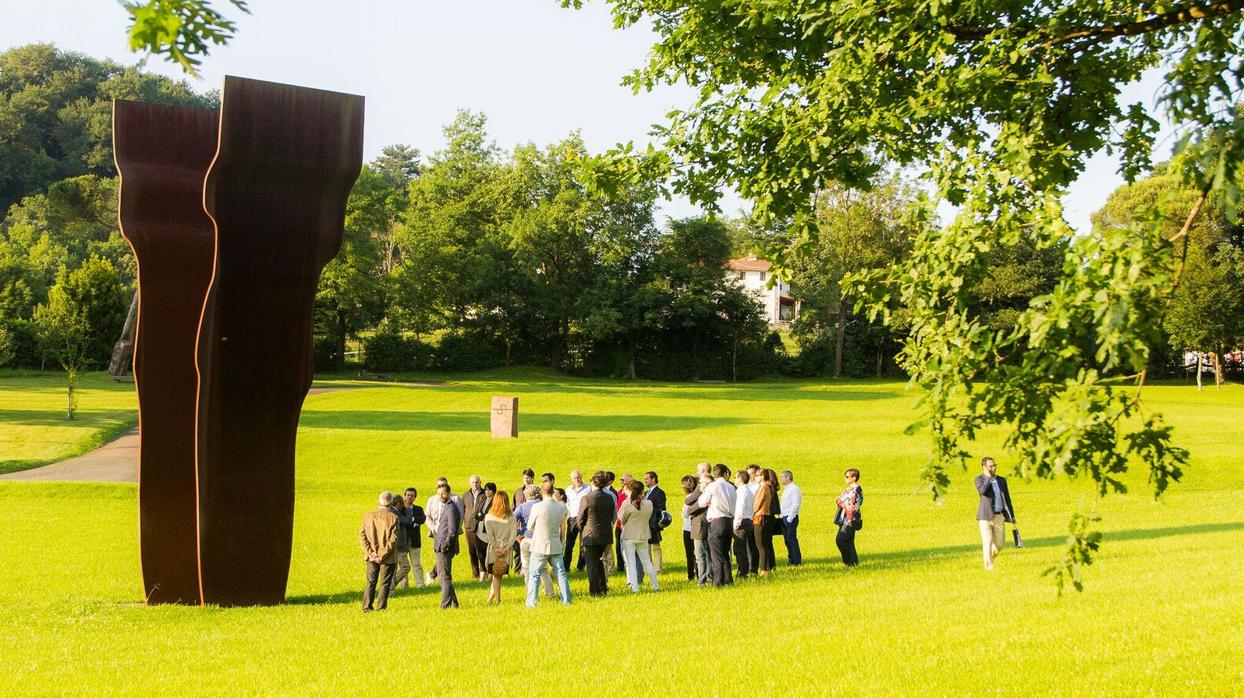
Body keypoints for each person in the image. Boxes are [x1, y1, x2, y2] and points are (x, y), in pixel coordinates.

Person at [526, 481, 573, 607]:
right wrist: (562, 542)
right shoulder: (562, 507)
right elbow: (563, 527)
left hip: (539, 545)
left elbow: (529, 526)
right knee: (561, 573)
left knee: (535, 574)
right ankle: (566, 600)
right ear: (553, 492)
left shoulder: (537, 507)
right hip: (555, 544)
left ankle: (531, 602)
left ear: (541, 492)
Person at [697, 464, 737, 587]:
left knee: (716, 553)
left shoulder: (713, 486)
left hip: (717, 520)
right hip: (729, 520)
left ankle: (718, 581)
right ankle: (728, 579)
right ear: (726, 473)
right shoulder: (731, 487)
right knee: (725, 551)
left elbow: (701, 502)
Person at [359, 491, 399, 612]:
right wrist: (381, 554)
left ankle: (366, 606)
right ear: (391, 503)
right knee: (385, 583)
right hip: (387, 557)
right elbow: (393, 539)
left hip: (371, 556)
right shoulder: (394, 517)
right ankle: (381, 607)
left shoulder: (368, 516)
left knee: (371, 582)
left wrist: (370, 553)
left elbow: (362, 536)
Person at [975, 457, 1016, 570]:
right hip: (985, 516)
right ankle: (989, 567)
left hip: (999, 516)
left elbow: (1007, 498)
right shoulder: (979, 479)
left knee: (999, 544)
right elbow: (982, 491)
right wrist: (988, 477)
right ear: (984, 467)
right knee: (987, 541)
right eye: (991, 466)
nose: (993, 468)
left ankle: (990, 558)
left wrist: (1011, 515)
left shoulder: (1001, 480)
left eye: (994, 465)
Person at [577, 471, 615, 596]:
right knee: (599, 562)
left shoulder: (587, 498)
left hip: (591, 535)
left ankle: (594, 591)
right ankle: (602, 588)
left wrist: (582, 529)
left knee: (592, 564)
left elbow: (580, 519)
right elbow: (612, 516)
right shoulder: (609, 497)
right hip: (605, 535)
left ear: (593, 482)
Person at [619, 480, 659, 592]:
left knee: (631, 562)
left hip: (629, 536)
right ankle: (655, 585)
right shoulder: (649, 503)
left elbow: (622, 518)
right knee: (647, 562)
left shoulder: (627, 503)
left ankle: (635, 587)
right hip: (643, 535)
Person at [514, 484, 552, 597]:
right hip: (541, 540)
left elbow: (512, 520)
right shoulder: (543, 505)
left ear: (526, 495)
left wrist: (517, 535)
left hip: (527, 539)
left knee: (527, 569)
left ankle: (530, 593)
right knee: (544, 569)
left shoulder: (521, 507)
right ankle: (549, 593)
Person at [482, 490, 517, 604]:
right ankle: (496, 600)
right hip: (506, 549)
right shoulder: (512, 517)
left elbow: (489, 535)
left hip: (494, 549)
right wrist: (506, 548)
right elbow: (513, 535)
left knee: (496, 576)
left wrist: (496, 548)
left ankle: (494, 600)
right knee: (497, 576)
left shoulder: (488, 517)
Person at [432, 483, 462, 608]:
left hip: (445, 547)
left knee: (444, 578)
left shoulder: (451, 508)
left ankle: (444, 605)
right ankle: (454, 604)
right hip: (441, 546)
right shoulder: (447, 507)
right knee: (444, 576)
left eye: (443, 493)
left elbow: (453, 530)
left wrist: (445, 544)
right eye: (439, 494)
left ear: (449, 493)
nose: (441, 496)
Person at [394, 487, 426, 589]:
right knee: (403, 565)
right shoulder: (400, 510)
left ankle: (420, 584)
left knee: (416, 563)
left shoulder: (418, 509)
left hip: (414, 541)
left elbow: (422, 519)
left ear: (415, 497)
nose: (409, 497)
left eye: (412, 496)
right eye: (408, 495)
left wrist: (412, 519)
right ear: (404, 496)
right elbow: (404, 522)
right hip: (403, 541)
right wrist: (413, 522)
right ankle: (404, 585)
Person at [685, 474, 711, 585]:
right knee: (708, 555)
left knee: (700, 555)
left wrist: (699, 491)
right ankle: (708, 578)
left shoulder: (704, 495)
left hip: (700, 527)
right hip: (708, 526)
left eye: (701, 483)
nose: (699, 485)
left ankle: (702, 580)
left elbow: (690, 509)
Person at [834, 468, 863, 567]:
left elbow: (855, 503)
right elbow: (841, 500)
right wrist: (840, 501)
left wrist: (842, 501)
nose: (845, 478)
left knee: (840, 540)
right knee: (849, 542)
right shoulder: (847, 489)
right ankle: (854, 563)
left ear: (854, 478)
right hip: (843, 517)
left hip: (851, 519)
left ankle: (847, 562)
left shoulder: (857, 489)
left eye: (847, 477)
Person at [462, 475, 490, 581]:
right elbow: (463, 510)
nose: (475, 484)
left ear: (480, 482)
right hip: (469, 526)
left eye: (477, 482)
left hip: (481, 526)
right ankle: (475, 573)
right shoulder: (465, 495)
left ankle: (484, 571)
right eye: (473, 482)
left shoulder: (485, 494)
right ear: (470, 483)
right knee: (472, 551)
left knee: (482, 551)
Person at [732, 470, 757, 578]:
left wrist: (736, 524)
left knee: (739, 549)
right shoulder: (749, 491)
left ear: (740, 479)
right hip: (748, 521)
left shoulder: (741, 492)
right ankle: (744, 570)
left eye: (735, 477)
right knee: (743, 548)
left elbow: (739, 508)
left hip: (741, 521)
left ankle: (742, 572)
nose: (734, 479)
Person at [563, 470, 589, 571]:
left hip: (584, 518)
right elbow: (566, 503)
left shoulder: (588, 488)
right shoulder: (568, 489)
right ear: (571, 479)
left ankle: (580, 567)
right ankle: (566, 567)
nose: (577, 479)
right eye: (574, 478)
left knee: (583, 543)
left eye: (578, 477)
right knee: (569, 544)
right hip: (572, 518)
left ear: (581, 477)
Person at [752, 468, 777, 575]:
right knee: (765, 543)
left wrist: (751, 512)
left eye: (757, 475)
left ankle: (763, 568)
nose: (755, 477)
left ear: (762, 477)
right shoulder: (768, 487)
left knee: (760, 544)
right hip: (765, 516)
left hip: (759, 517)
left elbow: (756, 505)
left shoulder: (763, 488)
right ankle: (767, 566)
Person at [642, 471, 666, 574]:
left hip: (653, 523)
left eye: (647, 479)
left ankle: (657, 569)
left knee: (655, 546)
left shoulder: (659, 492)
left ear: (653, 479)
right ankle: (648, 568)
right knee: (646, 547)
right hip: (645, 523)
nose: (645, 480)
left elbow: (662, 508)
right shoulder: (646, 493)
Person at [387, 494, 412, 591]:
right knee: (406, 567)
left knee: (394, 569)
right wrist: (409, 509)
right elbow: (407, 521)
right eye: (402, 504)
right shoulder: (395, 512)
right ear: (398, 503)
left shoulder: (392, 511)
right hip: (399, 546)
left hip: (394, 546)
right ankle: (390, 587)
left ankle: (390, 589)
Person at [473, 482, 497, 580]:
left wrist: (483, 517)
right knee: (480, 553)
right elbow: (476, 512)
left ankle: (491, 573)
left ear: (494, 491)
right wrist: (480, 516)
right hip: (479, 529)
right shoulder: (483, 499)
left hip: (488, 531)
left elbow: (494, 515)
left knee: (489, 553)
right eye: (486, 489)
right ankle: (482, 572)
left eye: (489, 489)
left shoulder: (495, 502)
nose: (487, 492)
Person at [779, 469, 803, 566]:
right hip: (784, 516)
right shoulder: (787, 489)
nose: (781, 479)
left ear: (788, 477)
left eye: (782, 477)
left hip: (790, 517)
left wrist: (790, 518)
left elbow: (795, 504)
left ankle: (796, 560)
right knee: (787, 539)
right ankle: (791, 559)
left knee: (791, 539)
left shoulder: (794, 489)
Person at [678, 475, 700, 581]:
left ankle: (691, 574)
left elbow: (685, 513)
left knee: (690, 553)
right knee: (697, 552)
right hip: (693, 527)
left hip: (688, 528)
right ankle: (697, 572)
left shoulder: (689, 498)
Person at [602, 471, 619, 575]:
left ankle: (610, 568)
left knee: (608, 548)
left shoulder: (612, 493)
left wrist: (611, 523)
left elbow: (614, 512)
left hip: (608, 524)